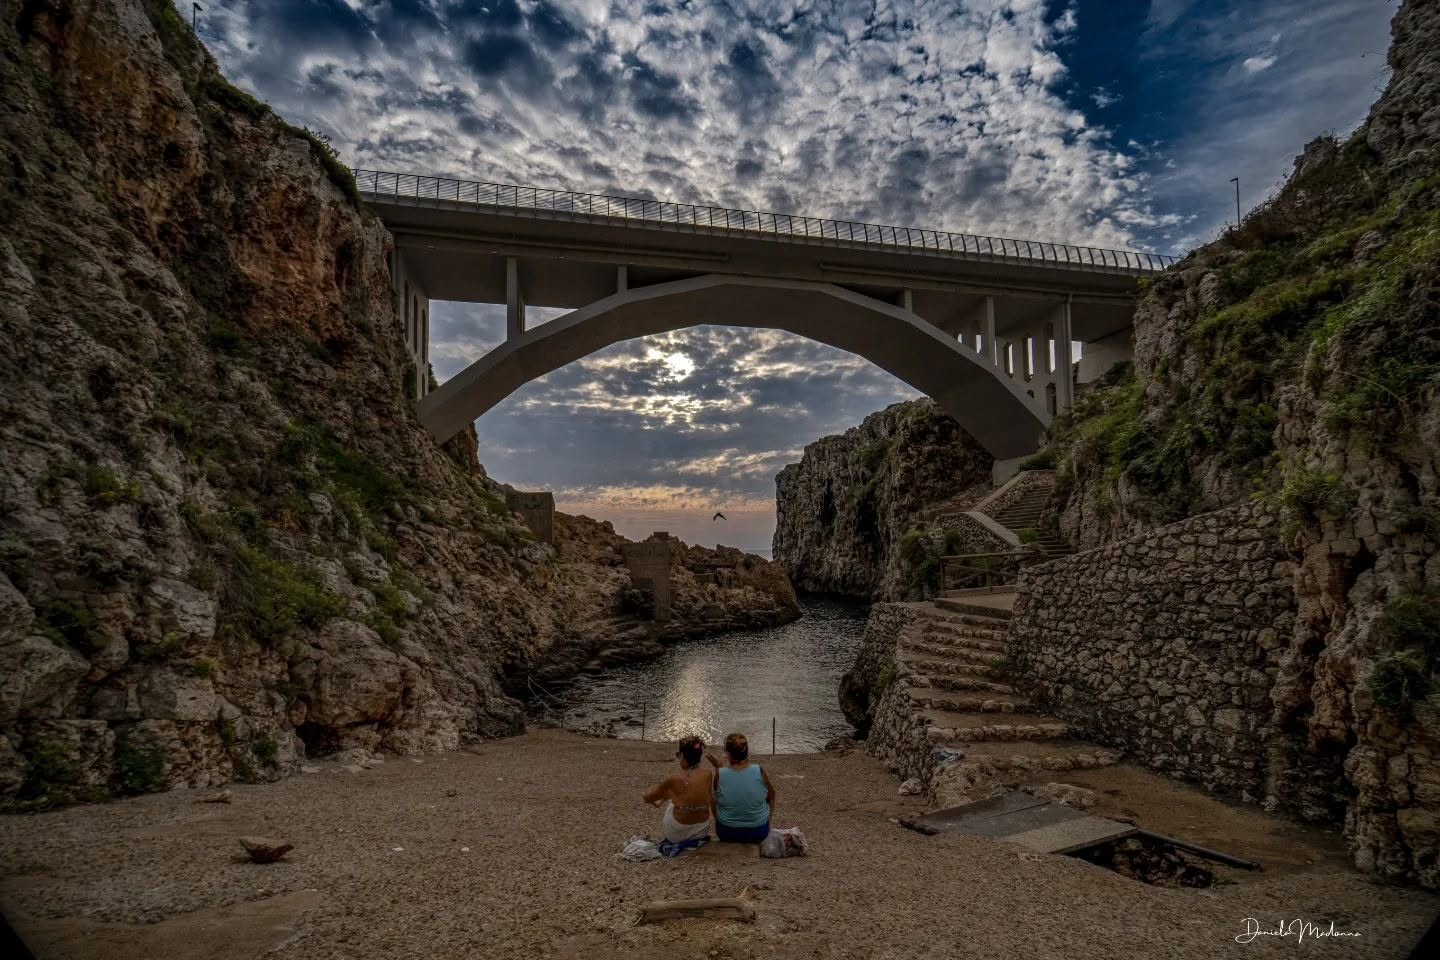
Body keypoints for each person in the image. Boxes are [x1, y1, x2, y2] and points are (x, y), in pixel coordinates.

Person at [643, 735, 714, 844]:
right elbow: (710, 797)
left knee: (675, 794)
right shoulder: (708, 774)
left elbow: (648, 798)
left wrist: (646, 794)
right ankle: (661, 801)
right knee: (682, 793)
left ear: (682, 756)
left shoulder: (674, 779)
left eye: (678, 755)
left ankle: (660, 801)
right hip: (701, 831)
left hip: (676, 834)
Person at [707, 733, 774, 843]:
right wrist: (768, 820)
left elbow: (717, 798)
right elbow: (772, 796)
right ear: (746, 751)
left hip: (726, 833)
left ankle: (720, 822)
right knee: (765, 795)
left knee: (714, 797)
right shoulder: (759, 770)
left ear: (728, 754)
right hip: (759, 832)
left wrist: (718, 767)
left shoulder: (720, 773)